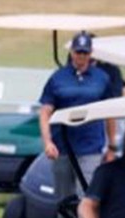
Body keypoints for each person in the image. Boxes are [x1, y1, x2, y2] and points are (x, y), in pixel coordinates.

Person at [39, 31, 117, 199]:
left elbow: (110, 114)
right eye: (78, 52)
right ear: (72, 52)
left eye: (85, 52)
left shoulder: (102, 78)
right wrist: (47, 142)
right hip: (62, 147)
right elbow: (45, 111)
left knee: (87, 196)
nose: (81, 56)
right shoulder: (57, 78)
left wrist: (112, 146)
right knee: (63, 198)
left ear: (91, 53)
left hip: (91, 146)